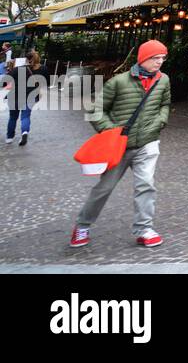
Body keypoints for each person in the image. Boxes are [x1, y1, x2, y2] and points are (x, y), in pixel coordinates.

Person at [71, 40, 171, 249]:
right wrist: (112, 132)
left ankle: (144, 229)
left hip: (147, 142)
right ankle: (83, 225)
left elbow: (165, 104)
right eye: (155, 58)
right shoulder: (118, 82)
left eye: (162, 58)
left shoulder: (163, 81)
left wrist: (160, 122)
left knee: (146, 185)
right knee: (104, 188)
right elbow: (96, 111)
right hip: (118, 146)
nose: (160, 62)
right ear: (143, 59)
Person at [6, 50, 50, 146]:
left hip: (15, 95)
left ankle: (9, 137)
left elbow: (6, 81)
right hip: (31, 95)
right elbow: (46, 83)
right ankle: (25, 132)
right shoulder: (43, 69)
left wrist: (11, 70)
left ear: (25, 59)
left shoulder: (18, 68)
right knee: (25, 116)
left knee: (13, 117)